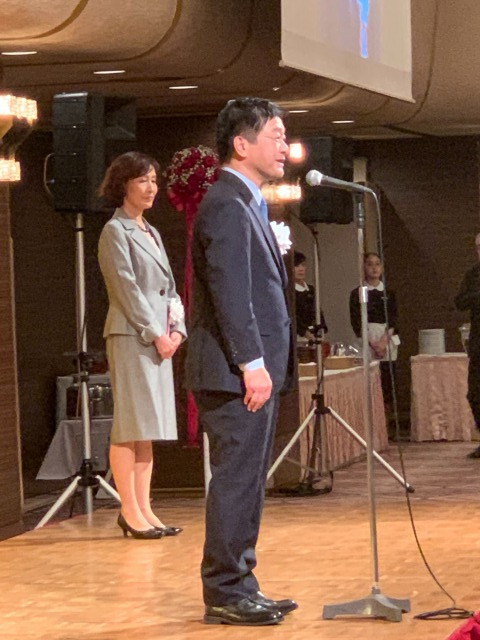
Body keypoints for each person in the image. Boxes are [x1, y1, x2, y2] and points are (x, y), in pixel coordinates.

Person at [185, 97, 297, 626]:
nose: (285, 146)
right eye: (275, 135)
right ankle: (225, 590)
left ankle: (241, 582)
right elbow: (231, 292)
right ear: (241, 144)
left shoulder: (246, 201)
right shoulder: (227, 203)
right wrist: (252, 363)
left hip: (249, 371)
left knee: (249, 482)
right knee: (235, 481)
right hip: (234, 373)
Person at [98, 151, 187, 539]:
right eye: (142, 180)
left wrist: (178, 330)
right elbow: (126, 290)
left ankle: (145, 508)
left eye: (154, 180)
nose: (151, 187)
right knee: (130, 425)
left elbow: (169, 289)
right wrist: (156, 334)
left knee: (147, 427)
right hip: (132, 337)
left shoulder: (151, 230)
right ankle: (129, 510)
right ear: (124, 185)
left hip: (159, 339)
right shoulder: (115, 231)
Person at [349, 252, 400, 410]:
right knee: (369, 380)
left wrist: (383, 342)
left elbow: (394, 319)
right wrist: (373, 344)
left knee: (387, 380)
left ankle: (387, 415)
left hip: (386, 337)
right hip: (367, 338)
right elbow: (356, 321)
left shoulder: (389, 293)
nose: (374, 268)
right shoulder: (357, 293)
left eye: (377, 264)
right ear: (364, 267)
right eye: (370, 264)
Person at [455, 233, 480, 458]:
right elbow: (460, 301)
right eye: (479, 247)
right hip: (479, 341)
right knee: (475, 393)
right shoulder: (472, 275)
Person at [293, 250, 328, 341]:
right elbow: (292, 317)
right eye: (296, 266)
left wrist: (322, 328)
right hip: (299, 336)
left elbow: (318, 311)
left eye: (303, 265)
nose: (301, 269)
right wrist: (304, 332)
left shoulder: (311, 289)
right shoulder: (290, 292)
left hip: (315, 333)